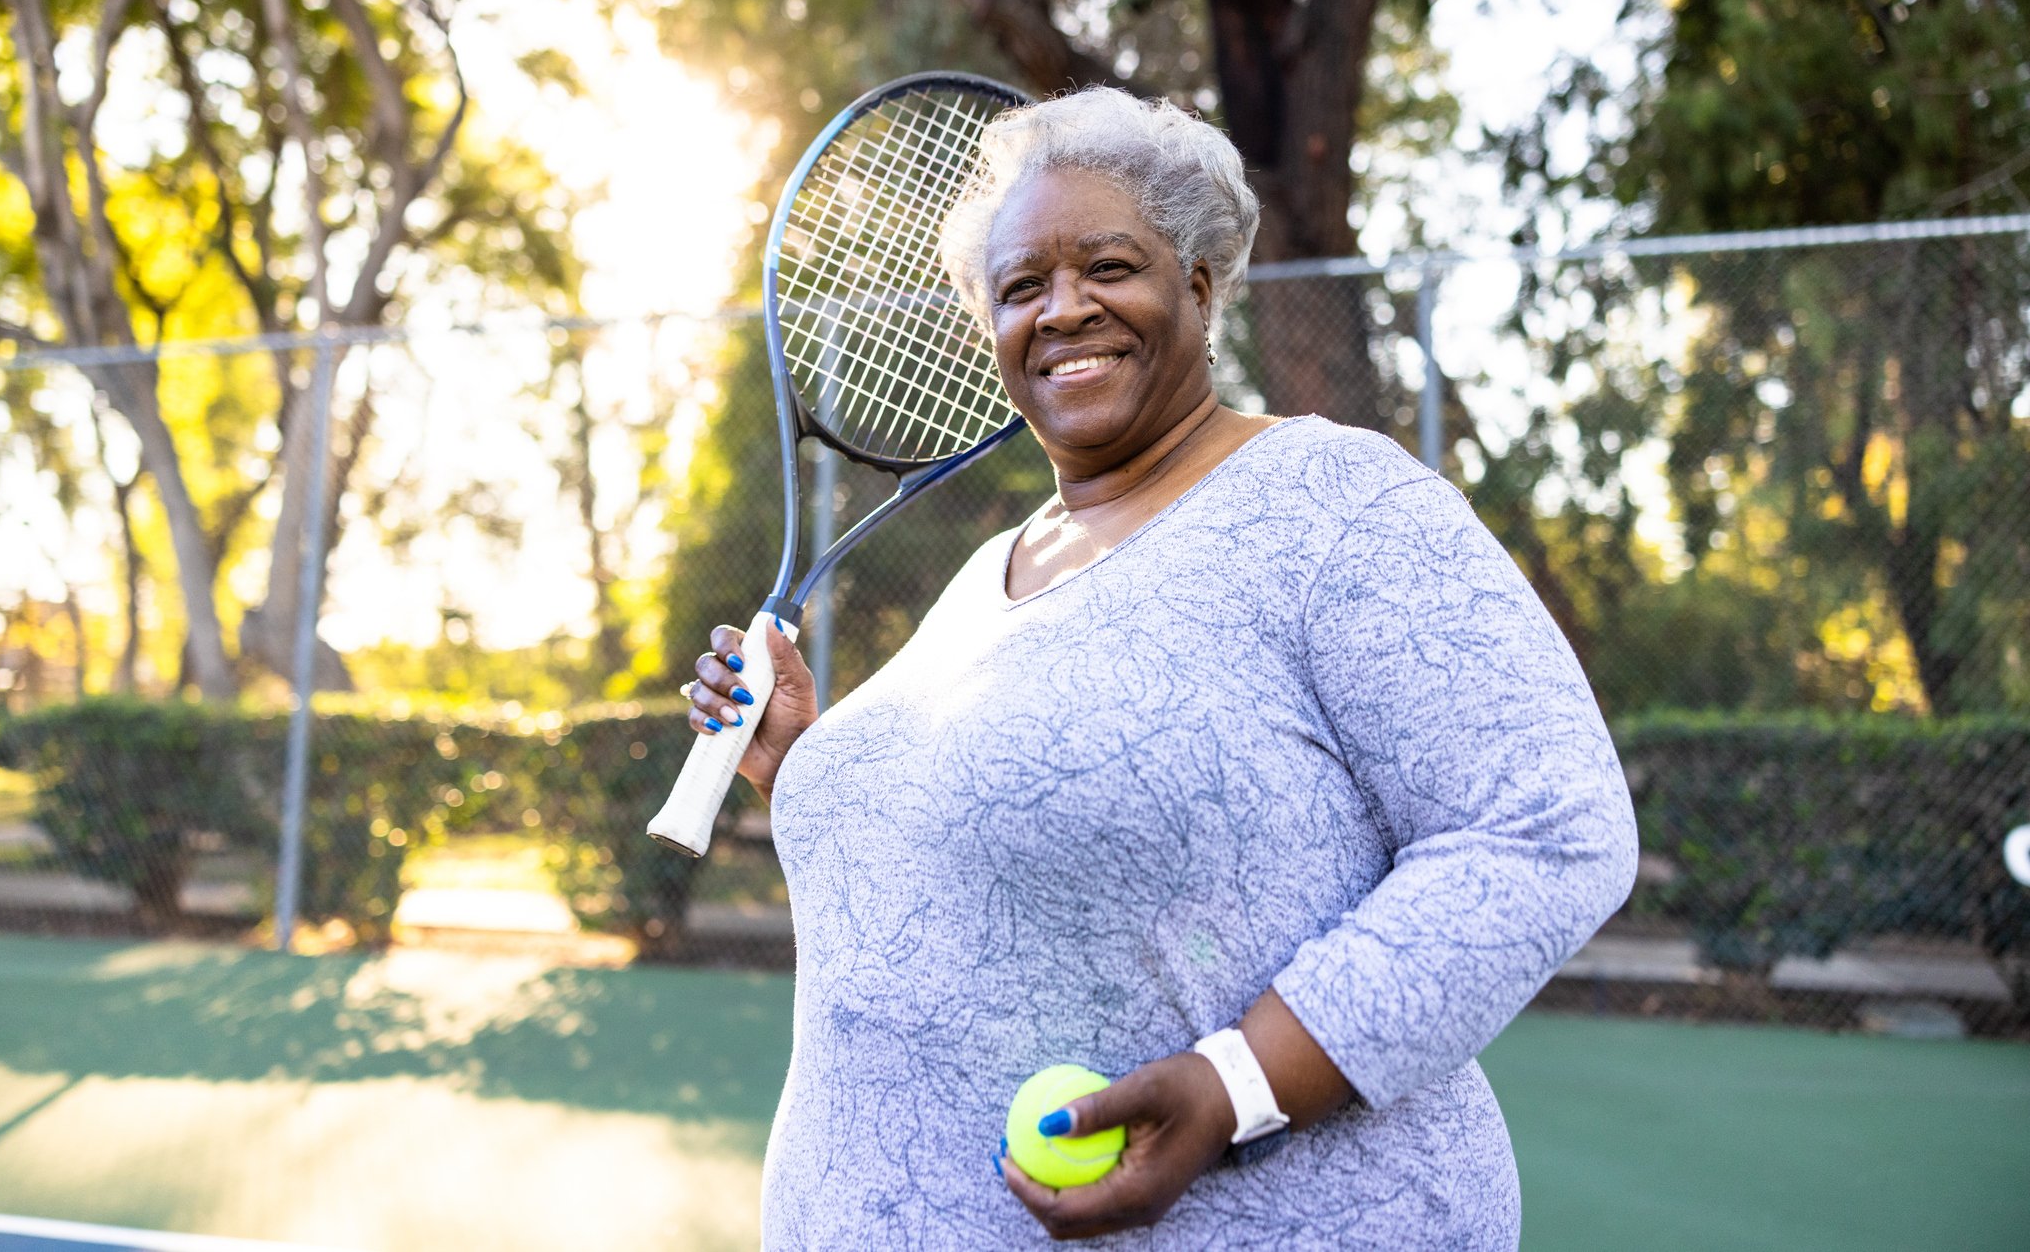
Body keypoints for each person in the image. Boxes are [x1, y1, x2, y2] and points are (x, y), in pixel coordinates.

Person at [684, 87, 1638, 1247]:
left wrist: (1238, 1085)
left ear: (1196, 282)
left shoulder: (1333, 500)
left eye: (1106, 266)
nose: (1062, 308)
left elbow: (1546, 824)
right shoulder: (990, 571)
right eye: (1020, 286)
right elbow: (972, 867)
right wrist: (802, 762)